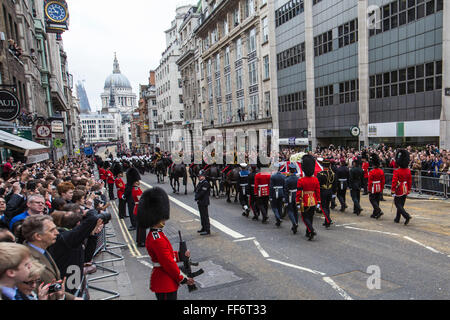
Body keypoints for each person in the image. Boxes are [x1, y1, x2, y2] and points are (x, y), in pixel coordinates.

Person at [137, 187, 195, 300]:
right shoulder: (157, 239)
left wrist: (180, 255)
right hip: (164, 282)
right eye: (162, 218)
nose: (164, 220)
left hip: (165, 280)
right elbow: (167, 262)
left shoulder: (157, 235)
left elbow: (167, 254)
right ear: (156, 218)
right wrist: (182, 278)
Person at [21, 215, 78, 300]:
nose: (57, 232)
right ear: (38, 236)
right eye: (52, 230)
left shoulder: (43, 250)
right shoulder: (27, 259)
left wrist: (72, 298)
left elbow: (52, 288)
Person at [296, 155, 321, 241]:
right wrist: (319, 201)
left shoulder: (301, 180)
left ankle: (311, 230)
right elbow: (318, 191)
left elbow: (299, 193)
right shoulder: (315, 179)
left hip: (304, 201)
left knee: (304, 217)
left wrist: (297, 202)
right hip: (313, 200)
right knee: (310, 217)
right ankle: (308, 232)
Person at [392, 149, 412, 225]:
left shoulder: (397, 171)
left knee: (397, 203)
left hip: (399, 188)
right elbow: (410, 181)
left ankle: (406, 216)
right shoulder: (408, 170)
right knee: (401, 204)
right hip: (405, 188)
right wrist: (409, 189)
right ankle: (397, 218)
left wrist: (393, 190)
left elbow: (394, 182)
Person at [316, 158, 336, 228]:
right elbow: (334, 184)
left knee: (323, 207)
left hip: (323, 191)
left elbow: (318, 185)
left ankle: (328, 220)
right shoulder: (332, 174)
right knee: (327, 206)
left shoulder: (320, 174)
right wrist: (333, 192)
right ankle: (326, 222)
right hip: (330, 191)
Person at [368, 153, 385, 220]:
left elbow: (370, 182)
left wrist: (369, 189)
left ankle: (379, 210)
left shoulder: (372, 172)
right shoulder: (381, 171)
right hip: (379, 186)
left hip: (373, 187)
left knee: (372, 199)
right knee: (377, 200)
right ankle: (375, 213)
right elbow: (383, 181)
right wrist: (381, 187)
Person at [194, 170, 211, 236]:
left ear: (204, 177)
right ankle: (203, 227)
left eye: (200, 176)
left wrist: (197, 197)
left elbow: (202, 193)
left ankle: (207, 230)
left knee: (205, 216)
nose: (199, 177)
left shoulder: (205, 183)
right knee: (202, 216)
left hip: (204, 201)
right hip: (200, 201)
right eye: (199, 176)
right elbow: (197, 190)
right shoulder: (201, 182)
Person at [284, 163, 299, 234]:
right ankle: (296, 222)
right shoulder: (297, 178)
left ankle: (294, 223)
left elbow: (286, 191)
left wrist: (286, 201)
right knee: (295, 211)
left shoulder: (287, 179)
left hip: (290, 196)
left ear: (289, 170)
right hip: (296, 195)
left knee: (290, 210)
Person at [124, 167, 141, 231]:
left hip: (132, 201)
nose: (138, 182)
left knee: (132, 212)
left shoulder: (132, 187)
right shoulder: (134, 187)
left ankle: (134, 224)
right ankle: (135, 223)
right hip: (134, 201)